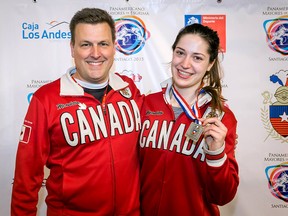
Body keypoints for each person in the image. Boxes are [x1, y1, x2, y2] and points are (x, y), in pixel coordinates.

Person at [11, 8, 143, 216]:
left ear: (113, 48)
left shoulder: (129, 89)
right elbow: (25, 178)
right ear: (72, 48)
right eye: (86, 44)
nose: (96, 53)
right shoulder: (46, 99)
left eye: (103, 44)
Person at [139, 23, 239, 216]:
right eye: (180, 53)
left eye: (197, 58)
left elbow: (223, 195)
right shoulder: (146, 105)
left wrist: (216, 152)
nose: (185, 64)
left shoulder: (220, 117)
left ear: (210, 64)